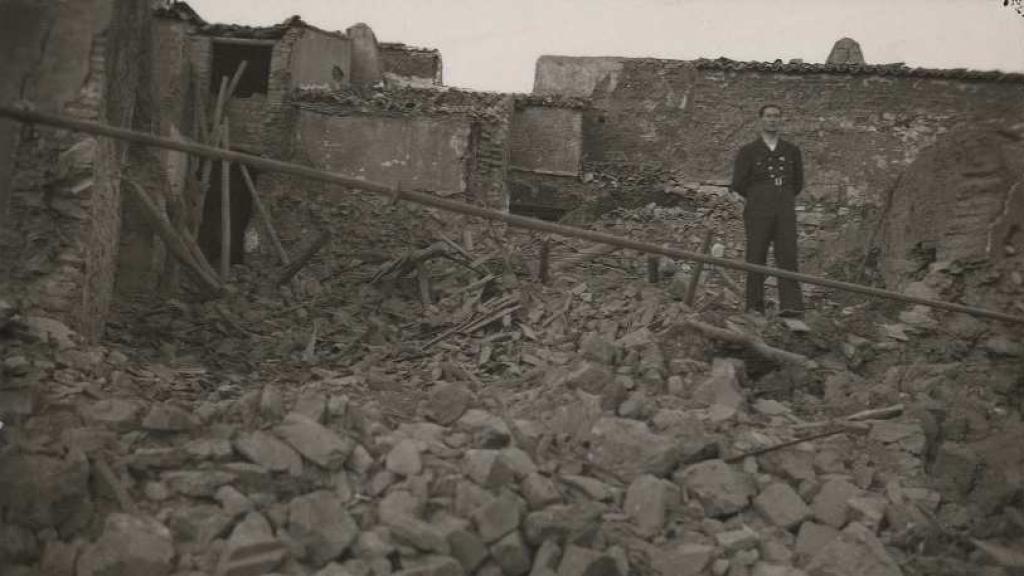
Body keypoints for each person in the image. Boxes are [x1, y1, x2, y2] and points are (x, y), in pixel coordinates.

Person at [730, 104, 805, 317]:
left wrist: (780, 196)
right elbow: (738, 183)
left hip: (784, 207)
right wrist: (760, 194)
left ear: (781, 120)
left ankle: (791, 307)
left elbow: (798, 183)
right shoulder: (748, 151)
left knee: (788, 254)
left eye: (776, 116)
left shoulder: (792, 151)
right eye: (768, 116)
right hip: (758, 207)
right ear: (761, 120)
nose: (772, 119)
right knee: (756, 255)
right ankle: (754, 307)